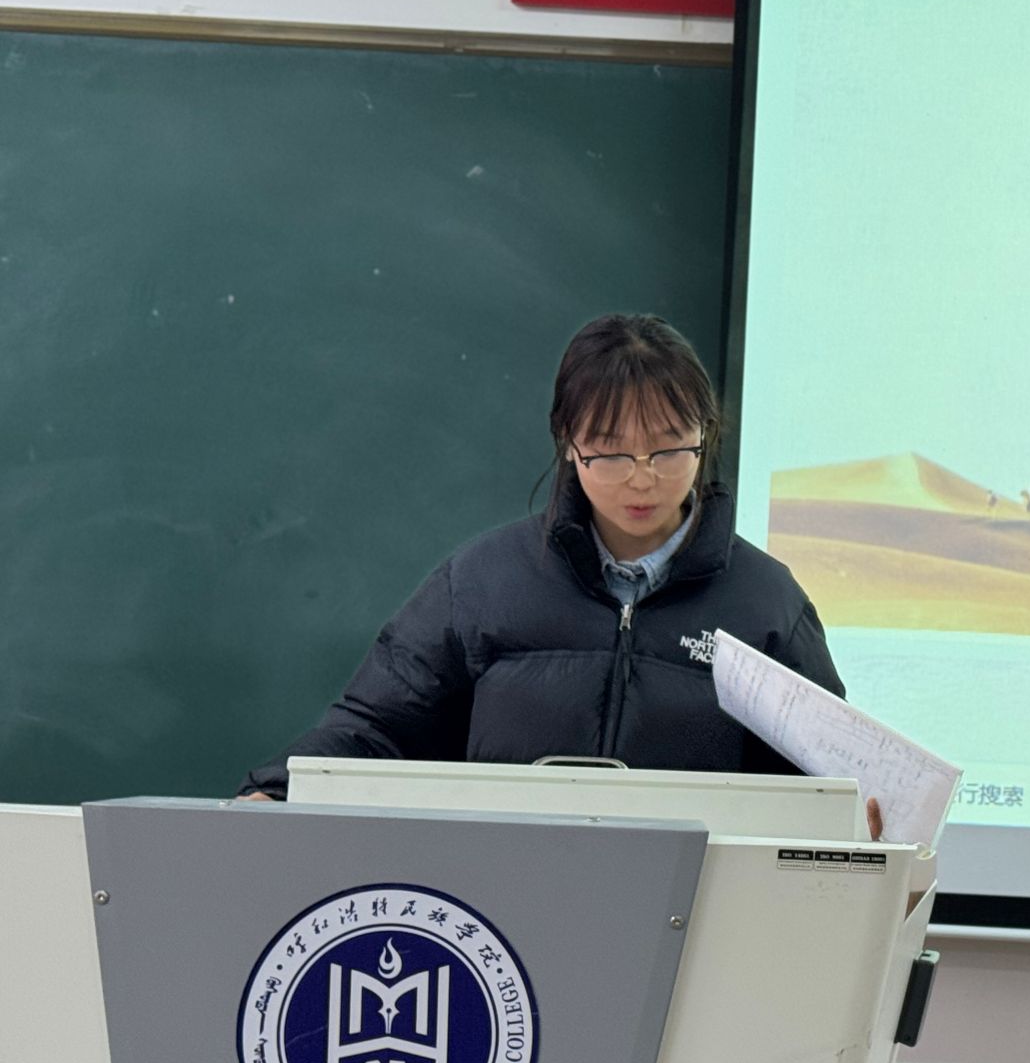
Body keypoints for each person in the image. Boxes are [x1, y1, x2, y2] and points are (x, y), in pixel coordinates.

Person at [237, 313, 881, 837]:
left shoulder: (766, 604)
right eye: (610, 450)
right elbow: (376, 727)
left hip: (694, 915)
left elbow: (822, 788)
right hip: (501, 908)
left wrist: (863, 823)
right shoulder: (482, 583)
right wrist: (277, 791)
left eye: (668, 446)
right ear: (568, 442)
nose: (641, 477)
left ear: (705, 436)